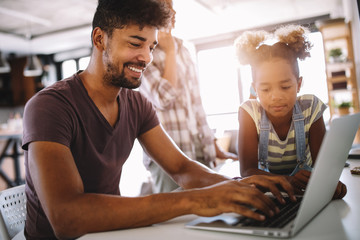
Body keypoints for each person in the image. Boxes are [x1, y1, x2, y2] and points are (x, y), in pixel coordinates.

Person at [22, 1, 296, 239]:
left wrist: (239, 185)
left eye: (151, 46)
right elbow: (65, 218)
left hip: (107, 235)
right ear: (99, 39)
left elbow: (181, 168)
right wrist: (192, 200)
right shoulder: (49, 107)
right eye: (135, 43)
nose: (146, 57)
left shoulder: (137, 104)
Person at [235, 25, 347, 198]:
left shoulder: (310, 107)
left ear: (299, 84)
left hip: (305, 194)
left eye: (285, 86)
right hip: (272, 194)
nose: (276, 97)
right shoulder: (249, 112)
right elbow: (247, 170)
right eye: (265, 89)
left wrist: (330, 183)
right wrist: (288, 180)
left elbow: (323, 166)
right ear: (255, 88)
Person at [139, 0, 237, 193]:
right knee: (175, 218)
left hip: (199, 150)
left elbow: (197, 105)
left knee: (208, 212)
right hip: (166, 157)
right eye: (166, 7)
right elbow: (164, 98)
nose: (173, 12)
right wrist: (170, 51)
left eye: (172, 5)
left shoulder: (183, 50)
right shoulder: (143, 53)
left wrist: (213, 146)